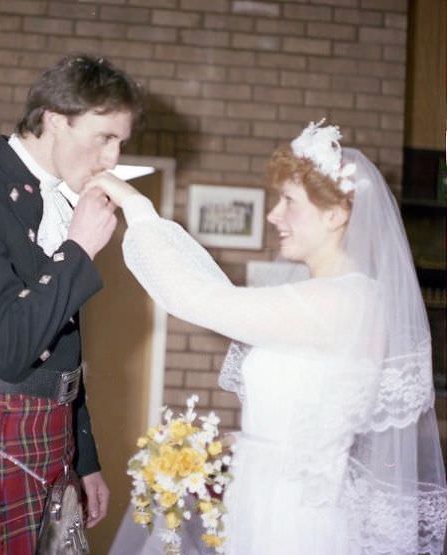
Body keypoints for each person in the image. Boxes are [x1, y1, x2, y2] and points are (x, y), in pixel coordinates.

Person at [92, 121, 447, 555]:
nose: (273, 214)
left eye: (288, 201)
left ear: (335, 215)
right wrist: (252, 443)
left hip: (290, 519)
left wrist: (136, 205)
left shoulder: (339, 302)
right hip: (264, 497)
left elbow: (200, 298)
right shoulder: (344, 298)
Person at [0, 53, 143, 554]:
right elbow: (11, 348)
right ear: (56, 119)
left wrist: (86, 459)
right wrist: (78, 250)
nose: (113, 158)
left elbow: (62, 347)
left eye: (120, 142)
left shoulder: (59, 200)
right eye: (104, 137)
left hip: (53, 443)